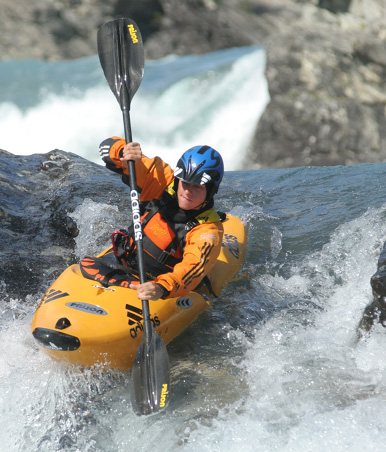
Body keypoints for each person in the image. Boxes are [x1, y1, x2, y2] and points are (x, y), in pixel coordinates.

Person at [98, 137, 225, 301]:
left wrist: (161, 287)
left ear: (211, 191)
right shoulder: (160, 179)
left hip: (158, 286)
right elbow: (106, 146)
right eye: (185, 183)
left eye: (197, 187)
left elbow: (191, 269)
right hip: (124, 266)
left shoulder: (208, 230)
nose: (187, 191)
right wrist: (123, 152)